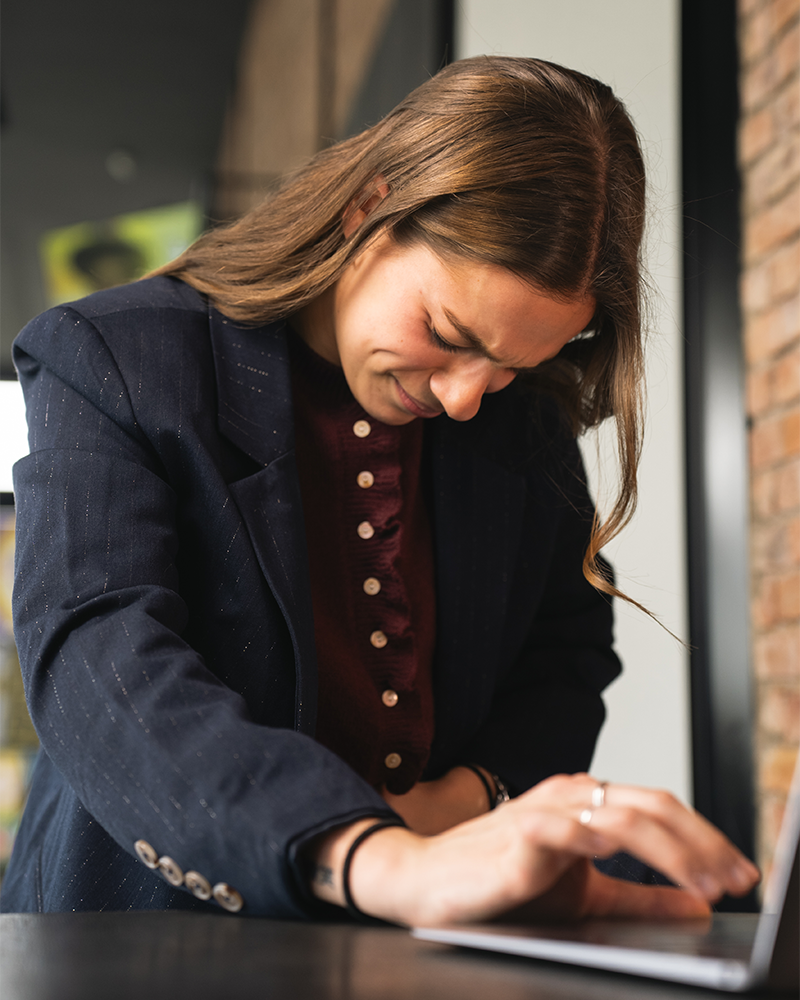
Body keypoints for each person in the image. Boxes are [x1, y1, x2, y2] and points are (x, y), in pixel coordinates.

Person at [1, 56, 758, 922]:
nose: (467, 397)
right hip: (153, 923)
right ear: (369, 210)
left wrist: (462, 804)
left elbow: (567, 656)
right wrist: (373, 852)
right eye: (445, 331)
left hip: (430, 918)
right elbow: (102, 659)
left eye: (512, 365)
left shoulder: (521, 422)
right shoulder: (115, 359)